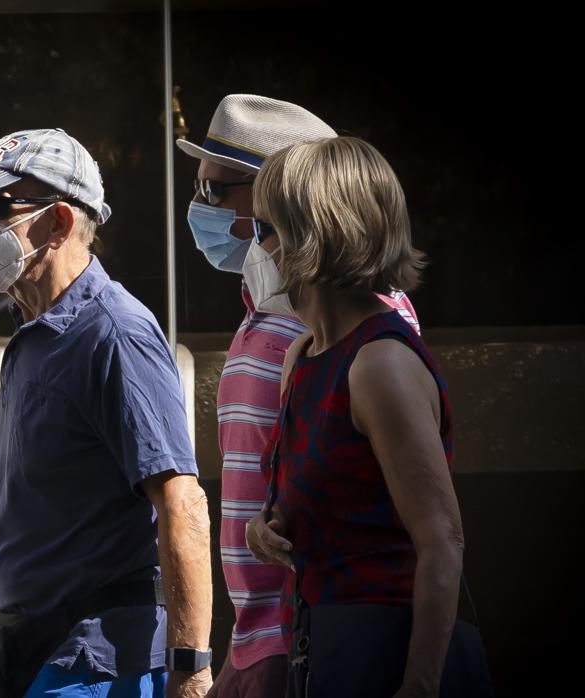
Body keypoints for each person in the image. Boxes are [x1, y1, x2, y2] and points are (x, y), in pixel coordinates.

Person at [0, 128, 214, 698]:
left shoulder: (114, 334)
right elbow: (30, 521)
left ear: (61, 222)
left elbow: (182, 503)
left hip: (96, 668)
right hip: (38, 658)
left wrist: (190, 672)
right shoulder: (34, 335)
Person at [178, 95, 419, 698]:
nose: (198, 208)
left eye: (216, 191)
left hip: (312, 638)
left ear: (284, 195)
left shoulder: (357, 330)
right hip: (263, 638)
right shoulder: (267, 307)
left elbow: (432, 532)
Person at [244, 137, 468, 696]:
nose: (248, 244)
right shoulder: (304, 355)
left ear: (310, 237)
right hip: (319, 647)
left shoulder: (379, 364)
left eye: (261, 229)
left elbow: (442, 540)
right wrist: (266, 525)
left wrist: (419, 685)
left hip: (387, 650)